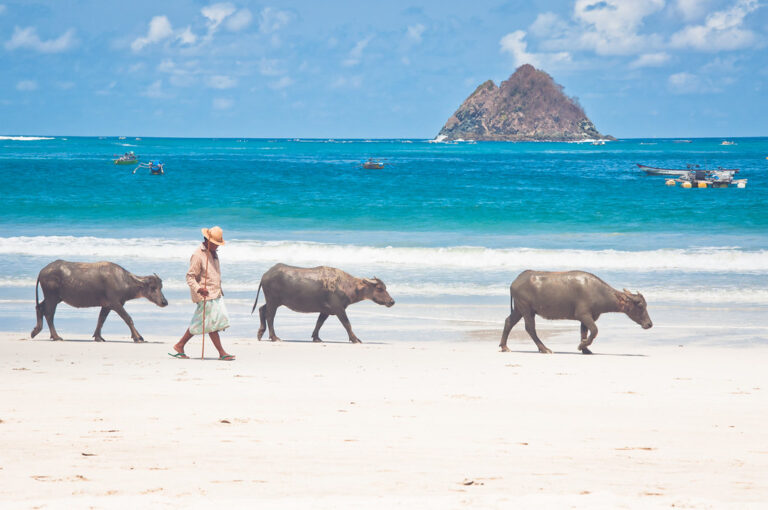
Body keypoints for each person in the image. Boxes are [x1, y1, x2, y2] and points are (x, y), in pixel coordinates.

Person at [170, 226, 235, 360]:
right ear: (207, 241)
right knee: (211, 324)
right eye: (215, 244)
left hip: (215, 293)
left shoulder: (213, 253)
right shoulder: (198, 255)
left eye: (218, 245)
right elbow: (190, 277)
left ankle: (179, 345)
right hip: (205, 295)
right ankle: (222, 353)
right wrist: (199, 289)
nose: (217, 247)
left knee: (203, 322)